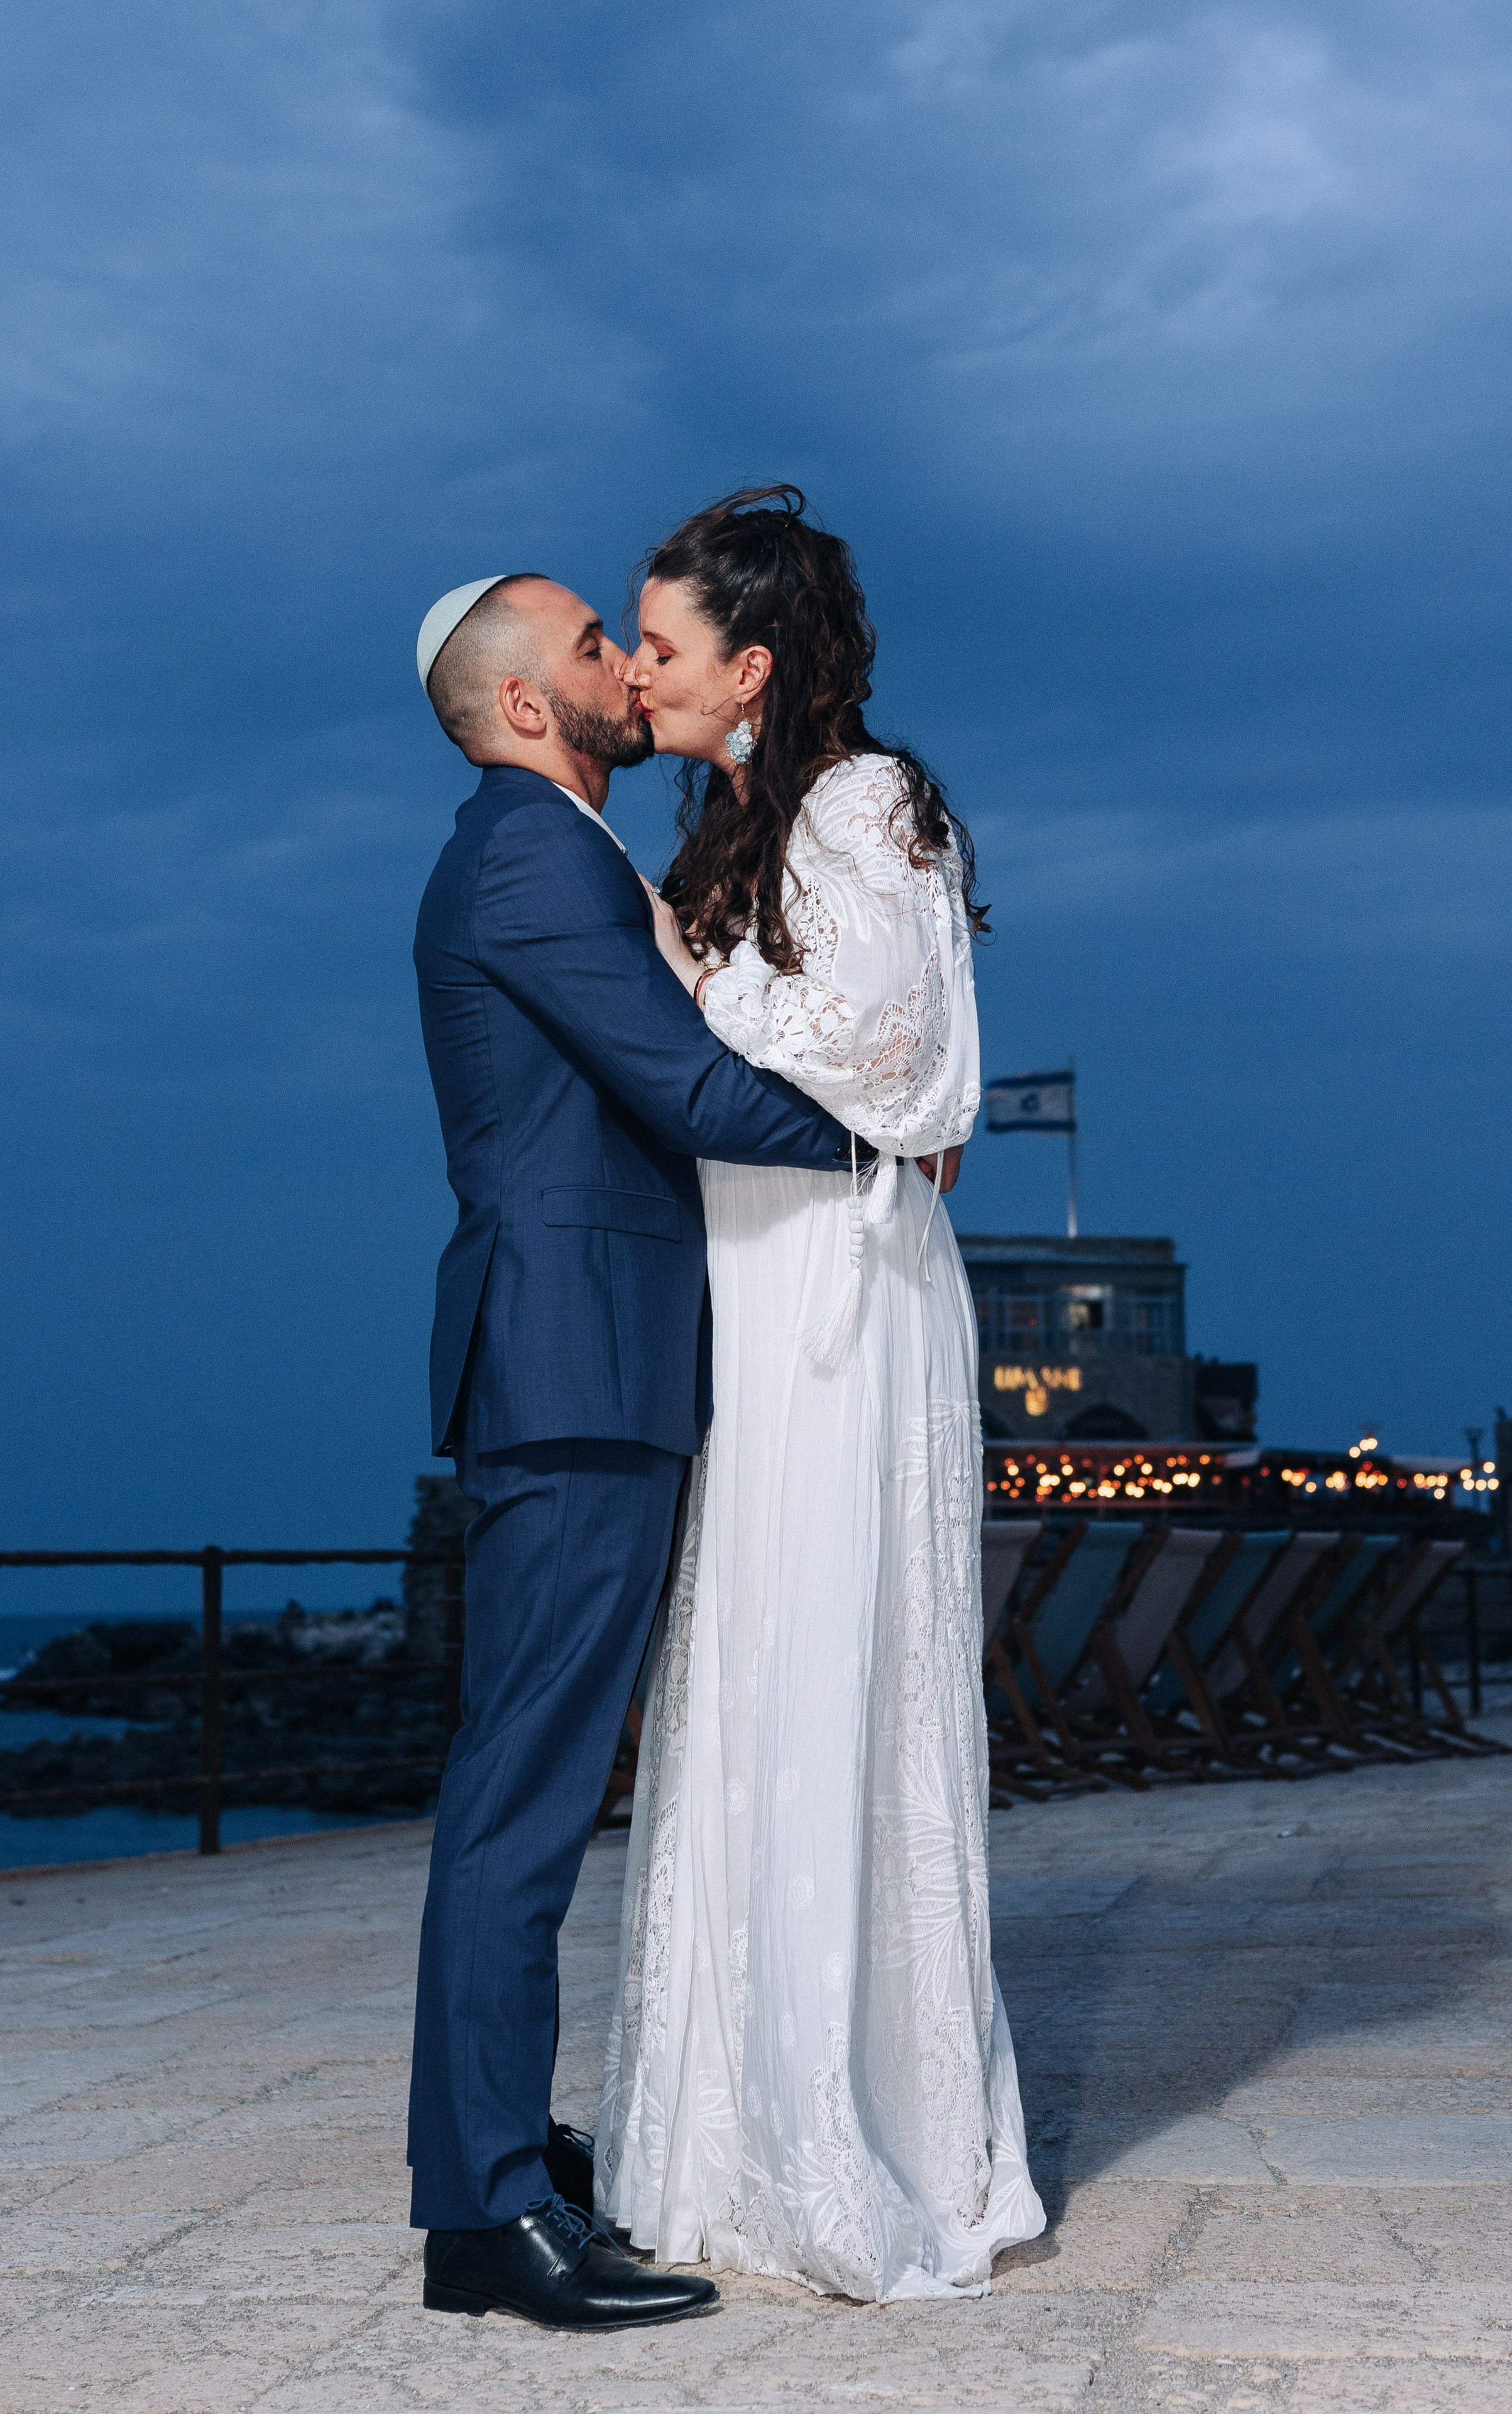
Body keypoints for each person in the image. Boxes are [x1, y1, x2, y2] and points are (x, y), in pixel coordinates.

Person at [595, 488, 1046, 2300]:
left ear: (754, 666)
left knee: (836, 1669)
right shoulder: (745, 818)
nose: (639, 668)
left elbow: (899, 1055)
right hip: (771, 1275)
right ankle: (737, 2114)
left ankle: (860, 2128)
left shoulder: (861, 801)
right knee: (765, 1673)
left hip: (842, 1289)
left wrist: (675, 965)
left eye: (666, 644)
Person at [406, 568, 868, 2332]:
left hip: (595, 1367)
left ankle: (505, 2144)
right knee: (520, 1793)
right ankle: (484, 2211)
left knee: (532, 1784)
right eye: (596, 641)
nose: (627, 658)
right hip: (570, 1371)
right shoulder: (527, 851)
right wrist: (880, 1139)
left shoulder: (566, 848)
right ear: (528, 703)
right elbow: (679, 1083)